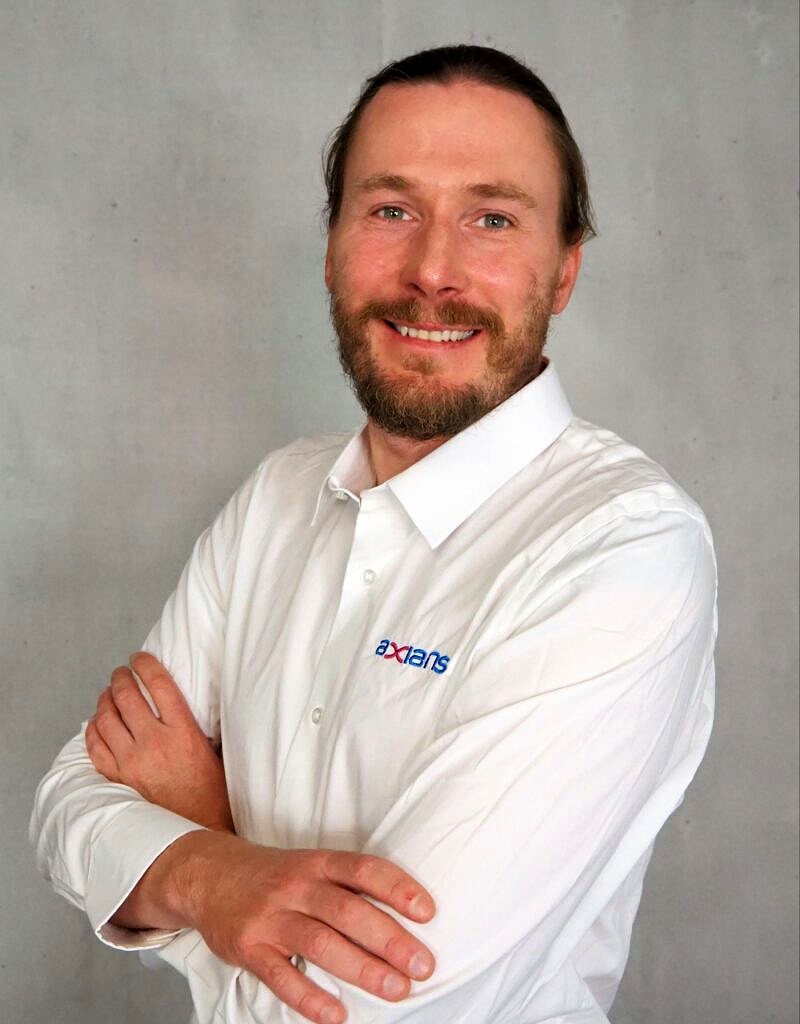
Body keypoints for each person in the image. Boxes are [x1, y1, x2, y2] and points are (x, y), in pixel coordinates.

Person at [30, 44, 718, 1024]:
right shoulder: (275, 499)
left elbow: (359, 1002)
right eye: (391, 210)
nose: (431, 270)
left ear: (563, 269)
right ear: (331, 243)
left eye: (491, 218)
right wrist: (216, 876)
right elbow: (67, 798)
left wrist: (197, 853)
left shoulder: (620, 553)